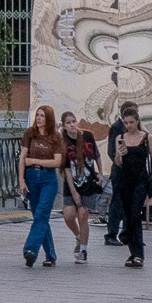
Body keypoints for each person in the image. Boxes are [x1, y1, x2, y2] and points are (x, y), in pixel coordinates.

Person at [111, 105, 152, 269]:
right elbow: (117, 163)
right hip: (125, 180)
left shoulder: (146, 137)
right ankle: (133, 252)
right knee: (128, 217)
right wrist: (119, 154)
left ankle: (139, 253)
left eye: (132, 122)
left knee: (135, 213)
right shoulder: (120, 137)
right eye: (126, 123)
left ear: (137, 121)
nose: (129, 126)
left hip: (141, 180)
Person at [17, 105, 64, 267]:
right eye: (37, 115)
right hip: (31, 177)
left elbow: (57, 162)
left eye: (42, 116)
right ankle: (50, 255)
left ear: (48, 118)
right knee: (39, 215)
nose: (39, 118)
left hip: (48, 178)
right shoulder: (30, 134)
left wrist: (35, 161)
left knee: (42, 214)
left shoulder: (55, 137)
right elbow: (23, 157)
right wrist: (21, 180)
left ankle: (30, 250)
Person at [57, 111, 104, 263]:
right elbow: (66, 169)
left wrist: (101, 174)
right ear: (64, 126)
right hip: (72, 182)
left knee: (83, 215)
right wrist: (73, 192)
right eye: (68, 122)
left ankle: (83, 249)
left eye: (74, 121)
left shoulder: (87, 136)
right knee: (69, 215)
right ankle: (78, 236)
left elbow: (97, 156)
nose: (72, 125)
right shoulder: (63, 142)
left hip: (88, 182)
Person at [102, 101, 136, 247]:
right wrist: (121, 162)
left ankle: (126, 234)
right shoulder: (117, 128)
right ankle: (111, 234)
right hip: (120, 171)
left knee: (129, 203)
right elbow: (112, 150)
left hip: (131, 172)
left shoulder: (135, 129)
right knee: (117, 203)